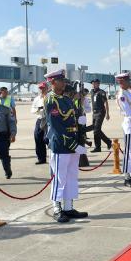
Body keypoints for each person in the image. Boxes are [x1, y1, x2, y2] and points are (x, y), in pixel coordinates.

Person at [44, 69, 88, 223]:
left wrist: (80, 121)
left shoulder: (67, 99)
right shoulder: (51, 100)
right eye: (61, 80)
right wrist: (73, 144)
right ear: (53, 82)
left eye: (64, 80)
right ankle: (57, 208)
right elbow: (56, 127)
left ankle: (68, 207)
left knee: (71, 177)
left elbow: (71, 120)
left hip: (73, 143)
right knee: (60, 178)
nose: (64, 83)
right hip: (61, 145)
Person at [90, 78, 112, 152]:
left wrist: (108, 113)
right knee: (95, 130)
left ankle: (108, 141)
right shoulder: (92, 92)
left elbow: (106, 102)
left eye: (94, 83)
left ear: (98, 84)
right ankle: (98, 147)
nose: (93, 84)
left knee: (96, 130)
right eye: (92, 83)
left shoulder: (101, 92)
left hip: (100, 112)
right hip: (94, 113)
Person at [30, 82, 49, 164]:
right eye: (40, 88)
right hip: (40, 119)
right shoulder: (37, 99)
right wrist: (38, 109)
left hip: (49, 120)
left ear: (47, 88)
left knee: (48, 139)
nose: (42, 90)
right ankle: (41, 158)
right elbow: (32, 110)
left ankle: (53, 156)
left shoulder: (50, 97)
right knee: (38, 138)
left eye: (43, 88)